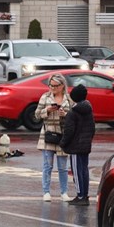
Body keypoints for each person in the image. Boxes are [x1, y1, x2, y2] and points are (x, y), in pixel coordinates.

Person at [34, 73, 73, 202]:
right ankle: (46, 192)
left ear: (63, 86)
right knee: (47, 165)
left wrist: (65, 114)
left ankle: (64, 192)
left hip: (63, 136)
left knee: (63, 167)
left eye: (56, 86)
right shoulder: (45, 97)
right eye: (51, 85)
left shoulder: (68, 98)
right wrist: (48, 111)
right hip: (48, 134)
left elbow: (74, 117)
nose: (53, 88)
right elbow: (37, 115)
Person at [60, 84, 95, 206]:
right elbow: (92, 129)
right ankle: (85, 194)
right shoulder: (88, 110)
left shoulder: (73, 112)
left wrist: (63, 143)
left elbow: (69, 131)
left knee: (76, 171)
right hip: (85, 145)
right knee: (84, 170)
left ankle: (80, 196)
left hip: (75, 146)